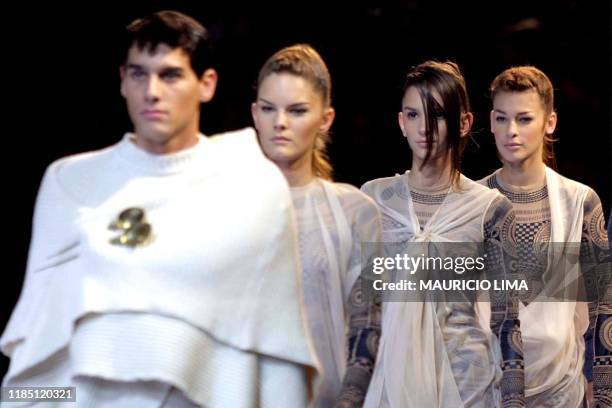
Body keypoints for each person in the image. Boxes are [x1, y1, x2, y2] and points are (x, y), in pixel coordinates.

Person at [1, 11, 317, 407]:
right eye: (138, 74)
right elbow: (36, 353)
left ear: (206, 84)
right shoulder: (71, 183)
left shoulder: (251, 188)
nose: (151, 91)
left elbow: (277, 348)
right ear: (122, 81)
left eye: (169, 75)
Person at [360, 61, 524, 407]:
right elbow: (361, 312)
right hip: (389, 383)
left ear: (464, 123)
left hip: (466, 386)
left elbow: (507, 320)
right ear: (401, 121)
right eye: (413, 115)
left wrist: (514, 401)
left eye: (437, 115)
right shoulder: (373, 200)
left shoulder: (491, 209)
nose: (425, 128)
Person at [251, 44, 382, 407]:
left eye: (296, 111)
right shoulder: (225, 207)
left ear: (325, 119)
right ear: (254, 114)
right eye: (268, 108)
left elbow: (367, 328)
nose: (279, 122)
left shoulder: (356, 211)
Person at [480, 65, 611, 407]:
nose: (511, 131)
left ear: (549, 122)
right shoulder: (468, 204)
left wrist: (606, 393)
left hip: (563, 391)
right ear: (490, 121)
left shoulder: (581, 202)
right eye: (501, 118)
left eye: (524, 119)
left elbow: (603, 311)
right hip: (483, 389)